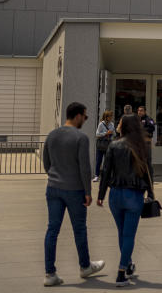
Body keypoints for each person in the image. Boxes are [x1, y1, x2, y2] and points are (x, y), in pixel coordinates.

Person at [41, 102, 105, 286]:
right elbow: (85, 167)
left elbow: (47, 163)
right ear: (77, 116)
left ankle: (50, 273)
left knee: (52, 230)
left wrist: (55, 176)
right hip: (75, 189)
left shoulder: (52, 135)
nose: (85, 120)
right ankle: (85, 266)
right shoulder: (81, 138)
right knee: (79, 229)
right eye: (84, 117)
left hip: (53, 187)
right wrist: (88, 191)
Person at [97, 114, 151, 288]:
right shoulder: (142, 146)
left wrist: (101, 194)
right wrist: (151, 193)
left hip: (115, 194)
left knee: (121, 232)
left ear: (124, 126)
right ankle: (122, 271)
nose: (118, 124)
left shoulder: (114, 145)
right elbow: (149, 171)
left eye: (120, 122)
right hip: (134, 195)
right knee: (129, 235)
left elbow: (105, 171)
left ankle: (127, 264)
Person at [94, 110, 115, 182]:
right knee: (98, 161)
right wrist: (106, 133)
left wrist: (112, 134)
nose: (111, 117)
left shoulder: (112, 124)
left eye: (111, 116)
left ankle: (107, 176)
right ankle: (96, 176)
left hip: (108, 145)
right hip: (101, 145)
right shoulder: (101, 124)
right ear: (106, 117)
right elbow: (97, 134)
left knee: (107, 161)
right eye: (110, 116)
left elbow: (114, 134)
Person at [136, 105, 156, 180]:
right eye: (138, 110)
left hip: (146, 143)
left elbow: (152, 128)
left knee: (147, 161)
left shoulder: (148, 119)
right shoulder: (136, 119)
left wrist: (142, 130)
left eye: (141, 110)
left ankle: (150, 177)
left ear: (145, 111)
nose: (139, 112)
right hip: (137, 143)